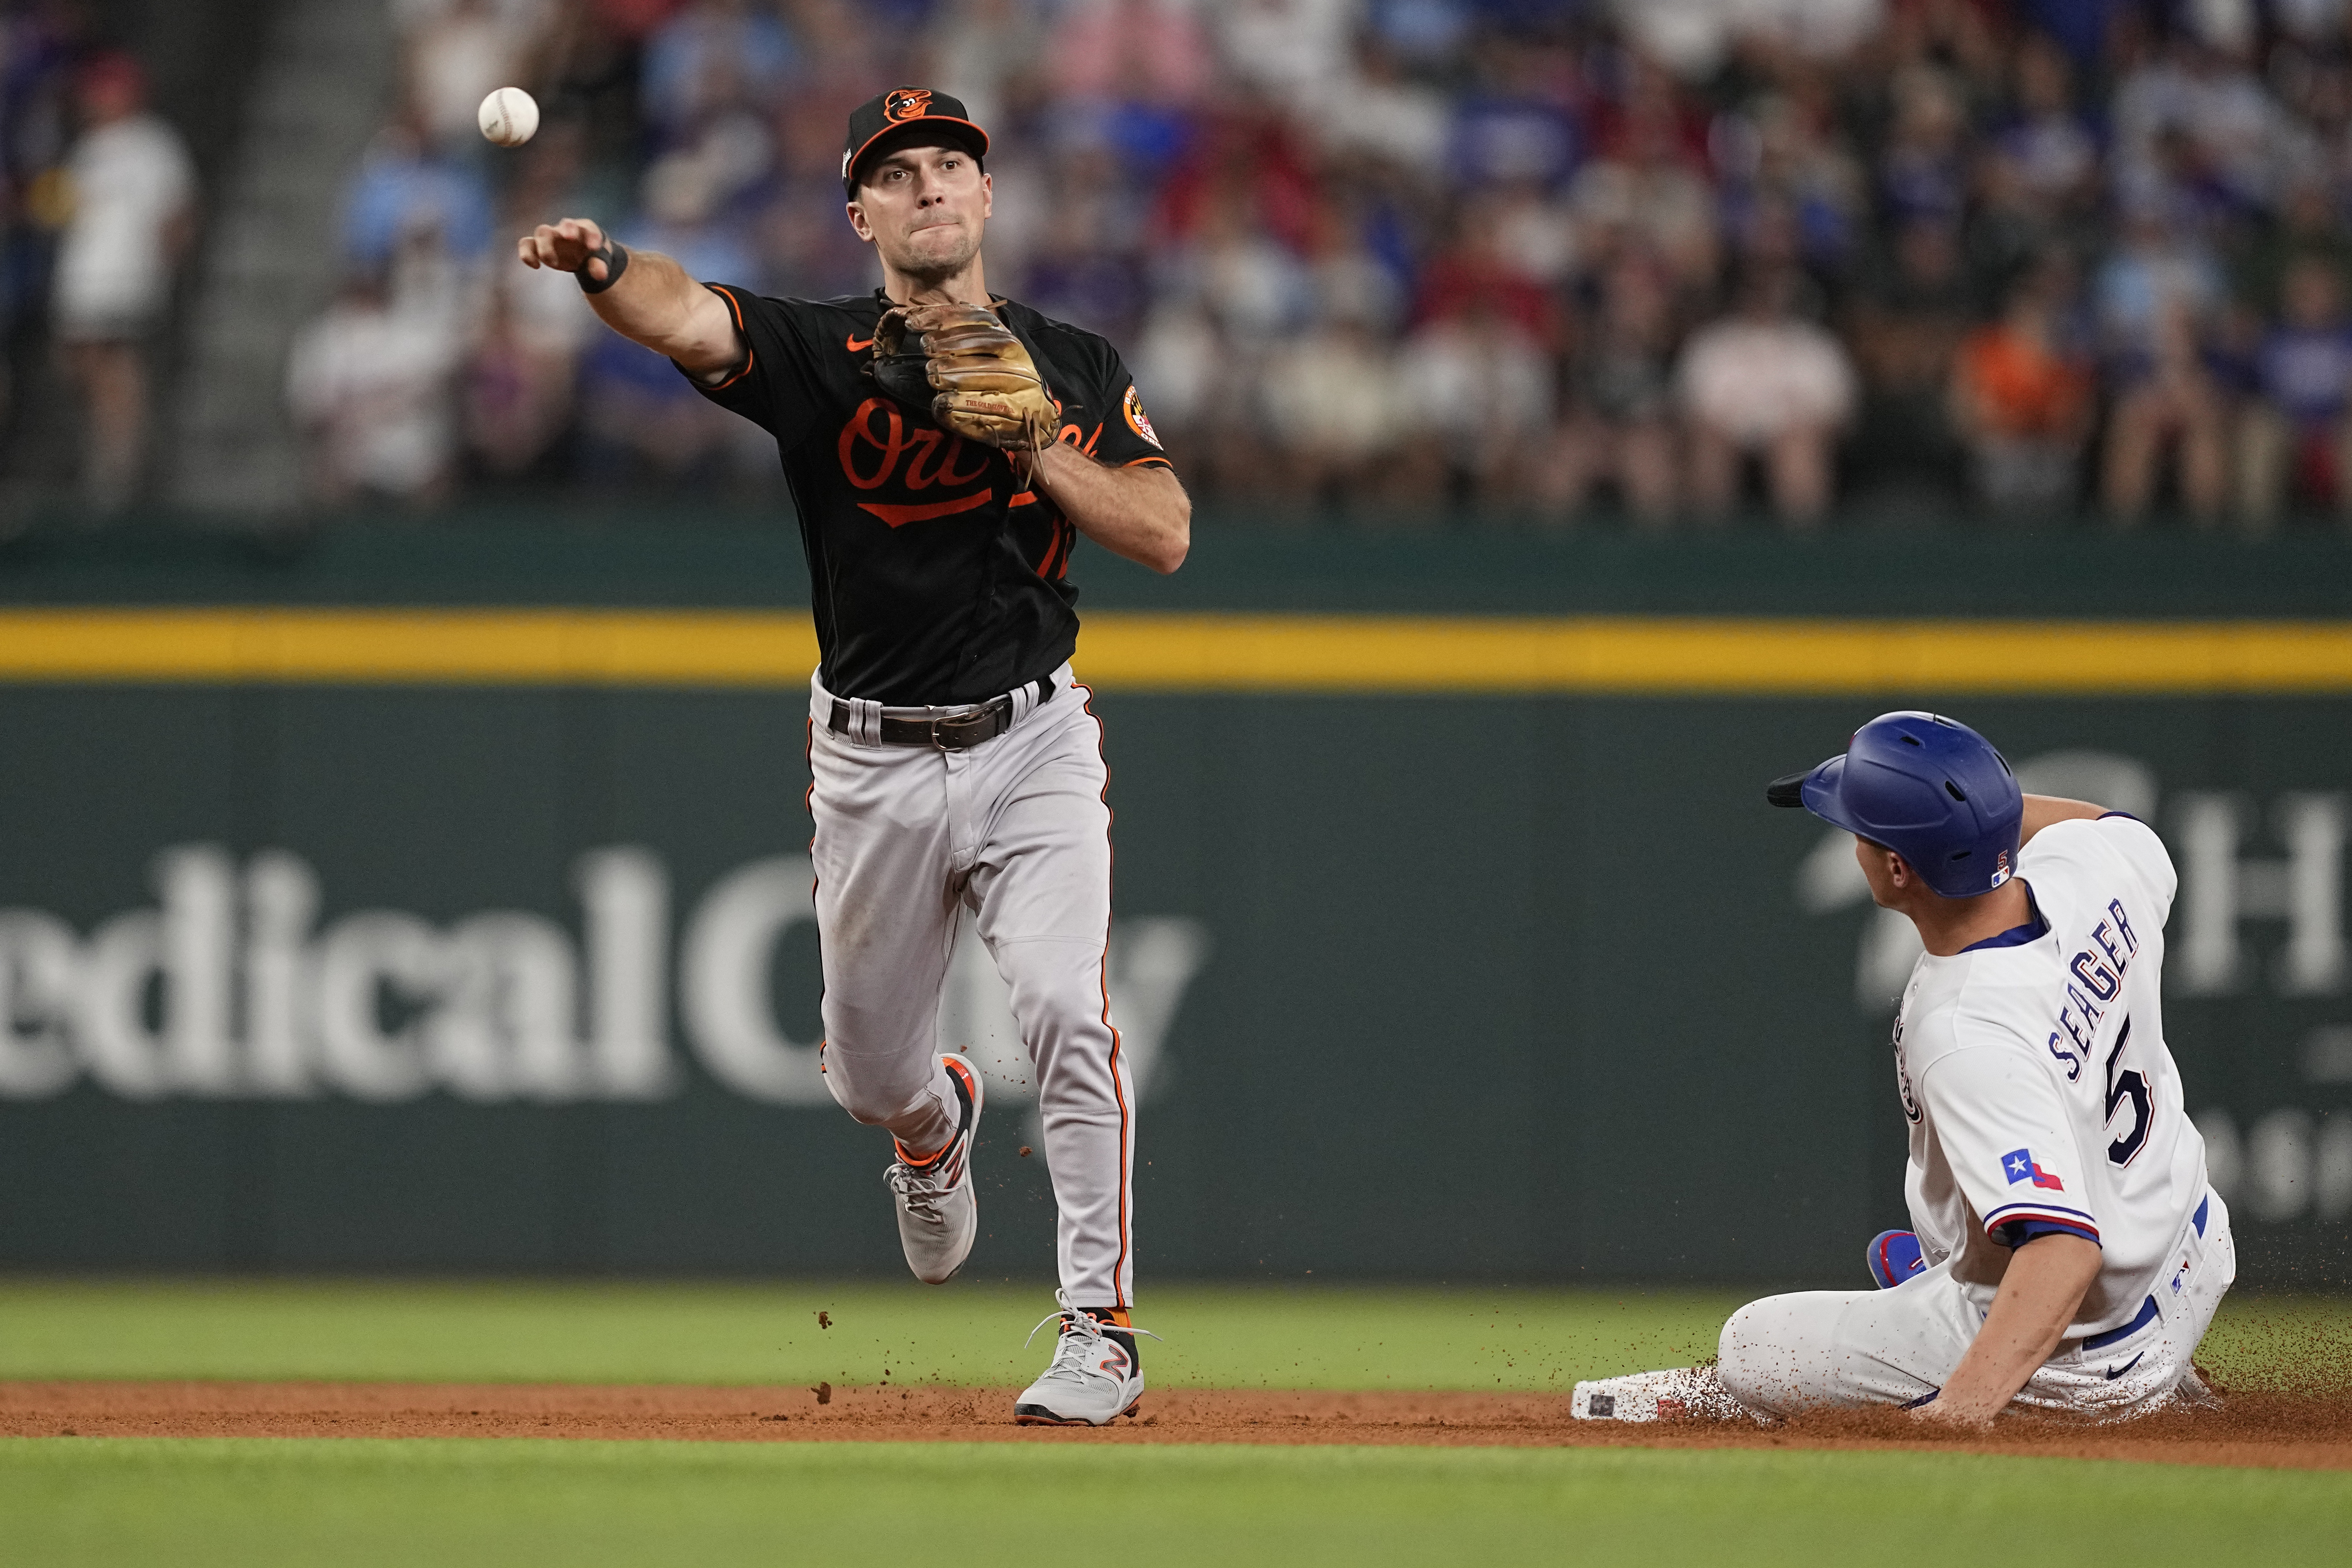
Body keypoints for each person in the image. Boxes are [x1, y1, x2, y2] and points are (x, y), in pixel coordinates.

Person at [516, 88, 1189, 1425]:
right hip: (870, 761)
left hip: (1033, 739)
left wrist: (1038, 450)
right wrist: (601, 265)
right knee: (870, 1072)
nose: (931, 185)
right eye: (901, 173)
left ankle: (1097, 1330)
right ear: (862, 213)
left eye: (952, 164)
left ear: (987, 198)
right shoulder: (821, 351)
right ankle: (930, 1125)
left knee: (1065, 1011)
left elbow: (1164, 532)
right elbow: (682, 312)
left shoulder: (1070, 361)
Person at [1575, 712, 2231, 1427]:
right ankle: (1962, 1297)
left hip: (2089, 1352)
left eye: (1861, 833)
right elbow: (2113, 824)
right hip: (2190, 1249)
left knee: (1755, 1347)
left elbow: (2063, 1252)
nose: (1852, 845)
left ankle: (2058, 1385)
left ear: (1896, 870)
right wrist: (1980, 819)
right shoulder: (2097, 870)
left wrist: (1957, 1412)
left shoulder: (1966, 1030)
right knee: (1941, 1233)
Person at [51, 51, 195, 512]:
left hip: (127, 277)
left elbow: (178, 215)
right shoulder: (89, 149)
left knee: (118, 368)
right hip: (83, 280)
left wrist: (161, 266)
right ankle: (110, 452)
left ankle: (122, 471)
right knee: (79, 366)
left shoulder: (153, 145)